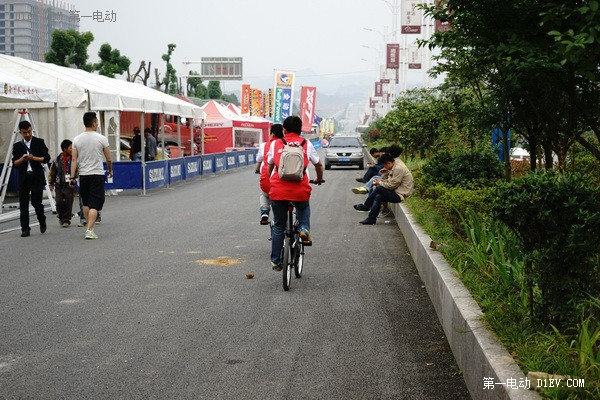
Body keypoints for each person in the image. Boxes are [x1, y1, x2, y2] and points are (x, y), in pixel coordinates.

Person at [267, 116, 324, 271]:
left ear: (284, 130)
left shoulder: (276, 144)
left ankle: (276, 262)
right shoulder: (307, 144)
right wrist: (319, 178)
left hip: (278, 191)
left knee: (279, 225)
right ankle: (304, 228)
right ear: (300, 130)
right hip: (300, 190)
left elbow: (269, 167)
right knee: (303, 207)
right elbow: (318, 164)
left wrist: (270, 184)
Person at [70, 111, 112, 239]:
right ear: (94, 123)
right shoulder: (102, 138)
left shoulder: (76, 139)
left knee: (86, 202)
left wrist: (72, 177)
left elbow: (74, 160)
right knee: (96, 203)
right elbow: (108, 158)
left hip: (84, 174)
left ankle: (90, 228)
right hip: (97, 174)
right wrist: (110, 170)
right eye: (97, 122)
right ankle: (89, 229)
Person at [12, 120, 51, 237]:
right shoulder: (17, 146)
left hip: (36, 177)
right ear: (20, 133)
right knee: (23, 204)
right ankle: (25, 228)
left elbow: (46, 158)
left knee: (36, 202)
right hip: (24, 178)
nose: (27, 135)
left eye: (29, 132)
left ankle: (41, 219)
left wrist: (34, 158)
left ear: (31, 130)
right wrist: (22, 159)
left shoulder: (39, 142)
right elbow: (15, 163)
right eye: (24, 133)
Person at [353, 152, 413, 225]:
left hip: (400, 195)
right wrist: (384, 174)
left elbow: (392, 185)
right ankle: (371, 219)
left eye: (384, 166)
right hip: (395, 191)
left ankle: (366, 205)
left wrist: (380, 183)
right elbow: (389, 181)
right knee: (379, 197)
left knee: (378, 188)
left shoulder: (398, 168)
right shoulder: (394, 166)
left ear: (388, 163)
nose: (384, 167)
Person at [255, 123, 284, 225]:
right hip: (285, 182)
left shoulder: (264, 145)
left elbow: (259, 160)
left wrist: (257, 169)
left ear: (272, 134)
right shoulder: (287, 144)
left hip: (268, 182)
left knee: (264, 194)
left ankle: (264, 211)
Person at [48, 139, 74, 227]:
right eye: (70, 148)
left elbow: (77, 170)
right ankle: (61, 216)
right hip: (59, 184)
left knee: (68, 202)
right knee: (58, 201)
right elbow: (52, 171)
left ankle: (66, 219)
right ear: (65, 149)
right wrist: (51, 183)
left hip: (69, 184)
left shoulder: (73, 159)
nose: (72, 149)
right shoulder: (57, 159)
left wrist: (74, 178)